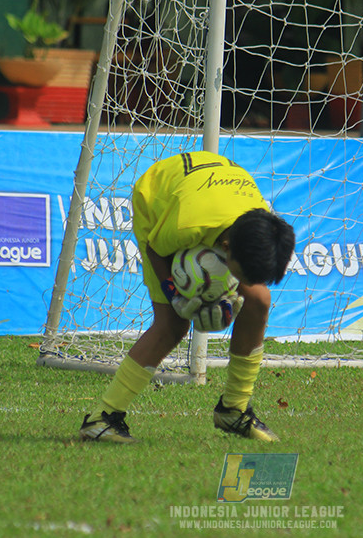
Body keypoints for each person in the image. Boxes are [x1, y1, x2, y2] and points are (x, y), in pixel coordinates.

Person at [79, 150, 295, 444]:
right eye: (241, 276)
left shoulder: (262, 222)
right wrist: (175, 296)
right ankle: (102, 418)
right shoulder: (185, 226)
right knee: (172, 325)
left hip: (212, 193)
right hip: (160, 198)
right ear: (226, 247)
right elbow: (156, 249)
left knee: (259, 300)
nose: (242, 285)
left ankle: (234, 409)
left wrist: (230, 291)